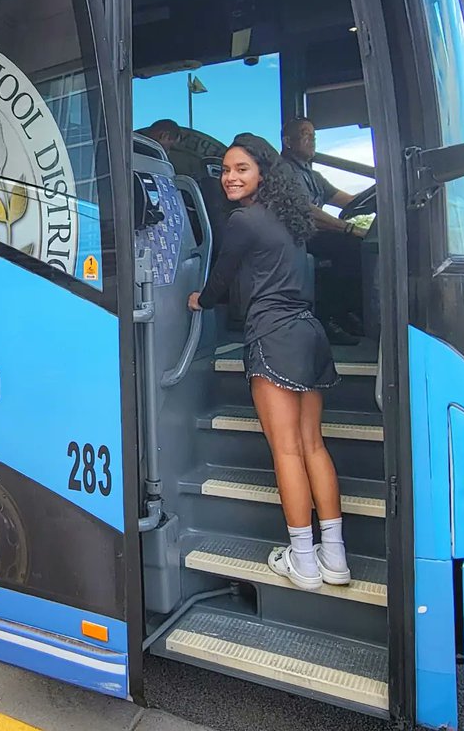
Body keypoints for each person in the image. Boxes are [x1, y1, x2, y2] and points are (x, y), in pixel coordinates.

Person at [187, 134, 350, 592]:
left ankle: (302, 559)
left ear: (262, 174)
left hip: (273, 337)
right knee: (313, 446)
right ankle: (334, 556)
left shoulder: (244, 221)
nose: (229, 178)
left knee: (287, 452)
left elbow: (220, 277)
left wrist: (201, 300)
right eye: (225, 170)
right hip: (308, 333)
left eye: (241, 169)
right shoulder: (290, 218)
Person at [281, 117, 367, 344]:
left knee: (362, 246)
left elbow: (347, 201)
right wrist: (348, 228)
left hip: (314, 234)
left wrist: (381, 190)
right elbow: (305, 211)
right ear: (288, 141)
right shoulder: (284, 171)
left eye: (314, 136)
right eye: (305, 135)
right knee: (349, 248)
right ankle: (327, 318)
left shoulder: (313, 175)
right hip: (295, 236)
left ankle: (348, 313)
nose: (312, 141)